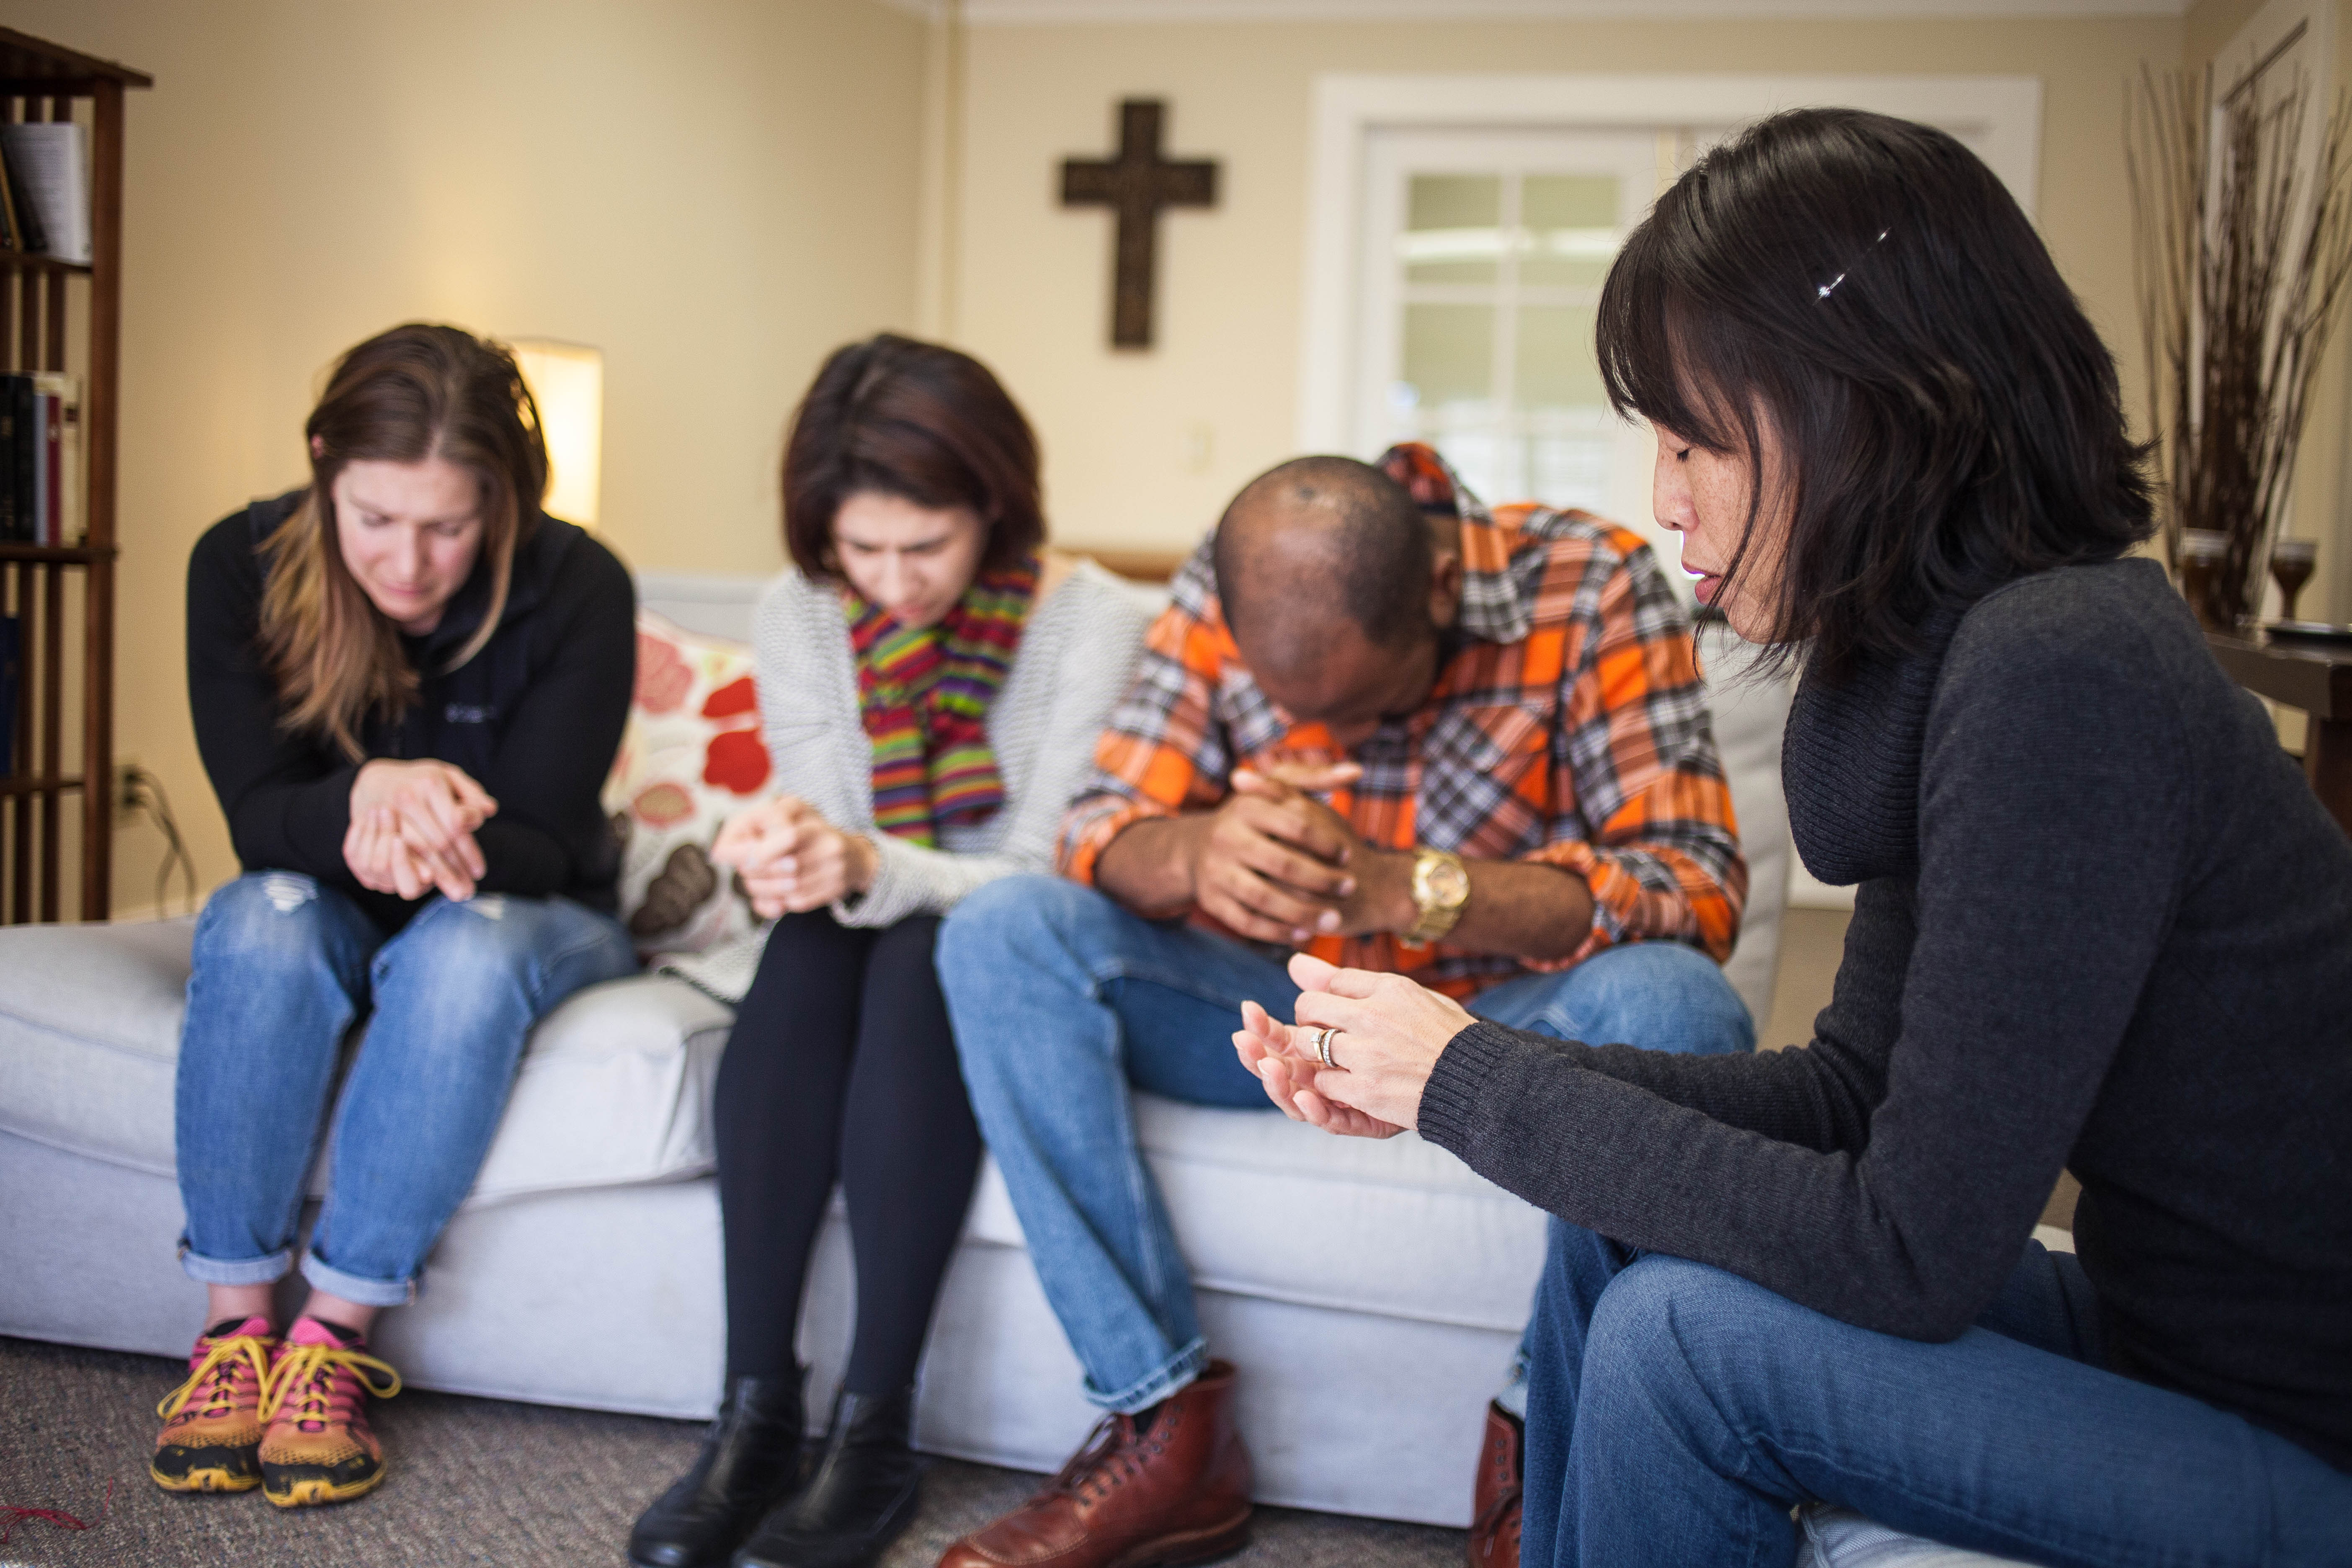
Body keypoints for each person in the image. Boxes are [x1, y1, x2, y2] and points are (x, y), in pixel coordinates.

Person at [1236, 109, 2352, 1568]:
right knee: (1614, 1218)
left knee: (1679, 1342)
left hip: (2300, 1431)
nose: (1664, 499)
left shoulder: (2065, 665)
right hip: (2165, 1338)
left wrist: (1475, 1090)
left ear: (1871, 409)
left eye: (1697, 438)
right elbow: (1853, 1094)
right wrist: (1453, 1064)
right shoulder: (1961, 652)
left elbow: (1909, 1247)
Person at [931, 442, 1754, 1568]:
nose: (1336, 739)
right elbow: (1097, 832)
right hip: (1276, 1014)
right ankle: (1161, 1426)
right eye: (1293, 711)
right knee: (1002, 932)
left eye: (1370, 703)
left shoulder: (1596, 583)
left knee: (1682, 1004)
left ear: (1440, 595)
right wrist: (1194, 851)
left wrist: (1408, 884)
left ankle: (1543, 1433)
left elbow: (1693, 890)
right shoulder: (1219, 584)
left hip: (1505, 1028)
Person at [627, 335, 1152, 1568]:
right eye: (860, 551)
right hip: (849, 932)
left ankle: (876, 1430)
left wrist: (862, 866)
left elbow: (1036, 867)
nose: (892, 582)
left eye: (926, 547)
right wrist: (788, 849)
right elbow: (831, 823)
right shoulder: (802, 609)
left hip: (1016, 942)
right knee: (812, 944)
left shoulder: (1093, 626)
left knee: (928, 952)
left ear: (995, 509)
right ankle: (753, 1412)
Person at [161, 323, 638, 1508]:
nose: (410, 564)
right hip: (320, 890)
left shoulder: (579, 584)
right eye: (373, 519)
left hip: (531, 903)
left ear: (503, 502)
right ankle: (234, 1335)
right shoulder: (239, 560)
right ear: (324, 464)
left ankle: (330, 1340)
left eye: (448, 526)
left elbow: (535, 838)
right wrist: (371, 793)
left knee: (461, 956)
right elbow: (255, 822)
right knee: (262, 915)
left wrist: (416, 818)